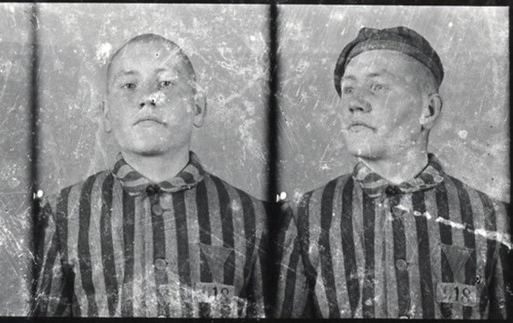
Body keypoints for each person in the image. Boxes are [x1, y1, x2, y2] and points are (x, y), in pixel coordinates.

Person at [273, 26, 511, 319]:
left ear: (429, 110)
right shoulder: (305, 217)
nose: (354, 103)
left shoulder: (494, 220)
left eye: (378, 87)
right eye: (348, 89)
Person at [33, 33, 269, 318]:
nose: (147, 97)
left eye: (166, 83)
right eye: (129, 85)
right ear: (106, 114)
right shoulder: (63, 215)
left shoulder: (252, 218)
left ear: (197, 107)